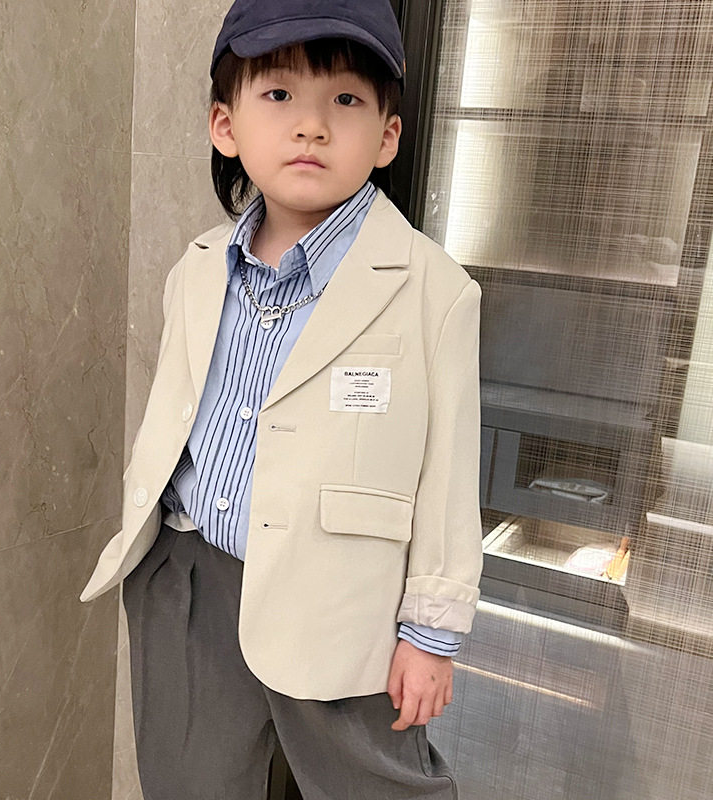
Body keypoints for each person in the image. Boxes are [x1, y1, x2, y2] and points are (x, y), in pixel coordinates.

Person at [80, 0, 483, 797]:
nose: (311, 126)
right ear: (225, 126)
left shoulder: (435, 291)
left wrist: (431, 634)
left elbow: (448, 472)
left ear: (387, 137)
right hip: (190, 572)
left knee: (377, 786)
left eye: (345, 99)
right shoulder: (198, 269)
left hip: (343, 595)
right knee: (190, 783)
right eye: (278, 94)